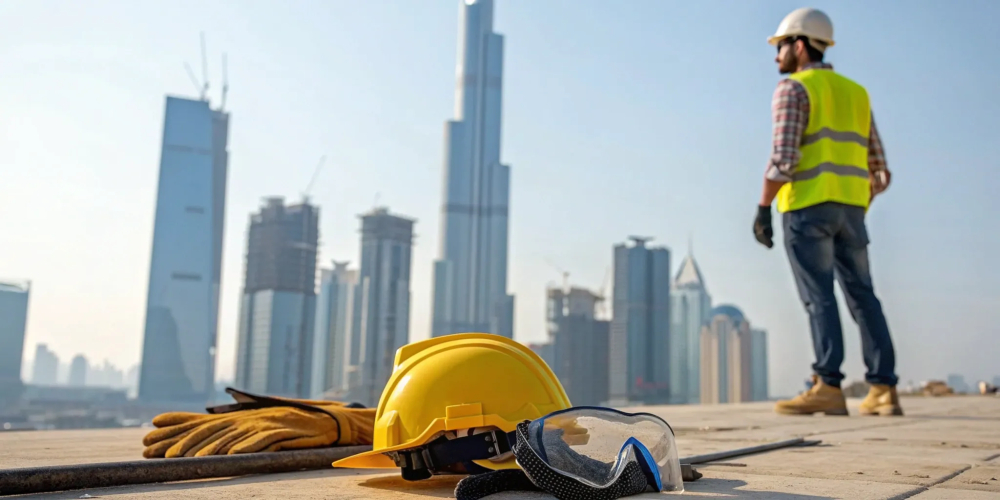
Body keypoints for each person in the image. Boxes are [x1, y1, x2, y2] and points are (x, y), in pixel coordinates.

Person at [752, 7, 902, 417]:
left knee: (819, 297)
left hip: (806, 208)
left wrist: (763, 208)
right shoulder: (856, 93)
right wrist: (855, 205)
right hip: (853, 210)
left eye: (781, 46)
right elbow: (880, 171)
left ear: (799, 46)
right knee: (863, 295)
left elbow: (783, 160)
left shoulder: (793, 89)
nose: (776, 56)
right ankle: (883, 391)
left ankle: (828, 386)